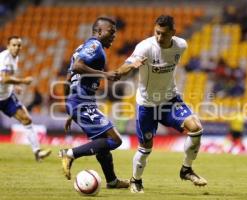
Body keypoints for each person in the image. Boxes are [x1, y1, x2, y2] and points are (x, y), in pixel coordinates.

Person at [116, 15, 207, 193]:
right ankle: (136, 180)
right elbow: (121, 70)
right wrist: (132, 65)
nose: (159, 37)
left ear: (173, 32)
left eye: (163, 34)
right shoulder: (145, 47)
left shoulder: (181, 45)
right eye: (157, 32)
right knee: (145, 148)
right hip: (147, 105)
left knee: (195, 128)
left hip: (169, 100)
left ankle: (186, 170)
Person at [59, 17, 144, 189]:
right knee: (114, 140)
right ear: (98, 32)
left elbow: (68, 78)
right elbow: (77, 67)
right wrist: (104, 74)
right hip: (82, 102)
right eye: (110, 32)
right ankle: (69, 154)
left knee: (102, 143)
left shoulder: (82, 47)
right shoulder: (94, 46)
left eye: (115, 33)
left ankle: (112, 181)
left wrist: (70, 109)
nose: (114, 36)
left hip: (79, 102)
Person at [0, 36, 51, 161]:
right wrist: (22, 81)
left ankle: (37, 152)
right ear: (8, 46)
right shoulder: (4, 58)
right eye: (14, 45)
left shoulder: (15, 57)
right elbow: (5, 78)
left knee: (26, 119)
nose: (16, 48)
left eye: (18, 45)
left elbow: (6, 78)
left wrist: (14, 86)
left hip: (6, 97)